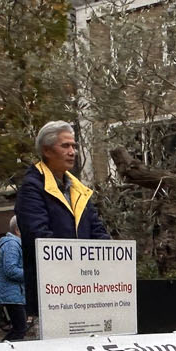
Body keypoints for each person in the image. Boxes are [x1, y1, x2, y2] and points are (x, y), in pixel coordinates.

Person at [14, 121, 109, 315]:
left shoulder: (79, 189)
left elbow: (98, 231)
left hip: (86, 291)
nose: (72, 152)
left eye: (74, 146)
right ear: (47, 151)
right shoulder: (32, 188)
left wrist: (108, 259)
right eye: (65, 146)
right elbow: (38, 237)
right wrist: (78, 266)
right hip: (52, 296)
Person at [0, 215, 27, 340]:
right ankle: (3, 349)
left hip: (14, 294)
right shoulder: (12, 245)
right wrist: (30, 274)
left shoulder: (15, 244)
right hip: (12, 295)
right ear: (18, 230)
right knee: (20, 330)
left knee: (19, 329)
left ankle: (5, 347)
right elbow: (10, 270)